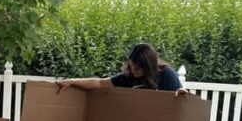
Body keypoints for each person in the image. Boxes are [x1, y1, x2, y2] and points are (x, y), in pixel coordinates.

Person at [56, 43, 188, 95]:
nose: (134, 72)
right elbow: (100, 83)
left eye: (138, 69)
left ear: (148, 67)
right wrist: (72, 81)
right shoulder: (128, 76)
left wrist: (182, 92)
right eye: (132, 67)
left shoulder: (166, 75)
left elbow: (181, 98)